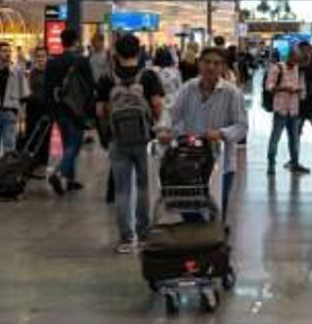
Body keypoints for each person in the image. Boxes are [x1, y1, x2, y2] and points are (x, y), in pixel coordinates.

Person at [157, 47, 247, 220]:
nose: (211, 67)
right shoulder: (188, 88)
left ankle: (215, 230)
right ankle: (197, 231)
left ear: (223, 67)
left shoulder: (232, 93)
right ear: (199, 64)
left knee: (217, 209)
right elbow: (170, 111)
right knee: (188, 206)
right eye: (207, 62)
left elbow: (242, 126)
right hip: (189, 161)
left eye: (217, 63)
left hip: (221, 163)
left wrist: (221, 133)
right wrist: (163, 128)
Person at [95, 34, 165, 253]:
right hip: (145, 139)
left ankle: (126, 239)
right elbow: (157, 104)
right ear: (139, 51)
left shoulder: (107, 78)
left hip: (118, 139)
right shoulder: (148, 76)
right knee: (144, 186)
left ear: (116, 53)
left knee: (122, 189)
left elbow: (99, 110)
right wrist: (157, 125)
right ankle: (143, 235)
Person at [44, 27, 95, 196]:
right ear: (76, 42)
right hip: (76, 109)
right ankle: (59, 172)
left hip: (59, 109)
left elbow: (47, 88)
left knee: (67, 143)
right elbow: (89, 86)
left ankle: (69, 179)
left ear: (62, 42)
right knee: (74, 144)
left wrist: (50, 110)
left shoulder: (52, 62)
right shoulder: (81, 61)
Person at [265, 47, 308, 176]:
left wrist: (300, 92)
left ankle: (295, 163)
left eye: (298, 60)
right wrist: (284, 88)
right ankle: (271, 164)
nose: (296, 63)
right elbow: (269, 87)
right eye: (294, 59)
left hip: (294, 109)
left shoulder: (298, 69)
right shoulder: (277, 68)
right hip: (280, 109)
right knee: (275, 137)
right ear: (289, 56)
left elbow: (302, 89)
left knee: (294, 138)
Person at [23, 45, 51, 166]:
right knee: (31, 133)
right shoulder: (32, 72)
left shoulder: (51, 72)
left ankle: (43, 160)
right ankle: (32, 159)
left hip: (46, 108)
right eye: (38, 56)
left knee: (45, 135)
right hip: (32, 108)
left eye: (43, 56)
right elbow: (27, 90)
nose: (40, 59)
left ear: (47, 57)